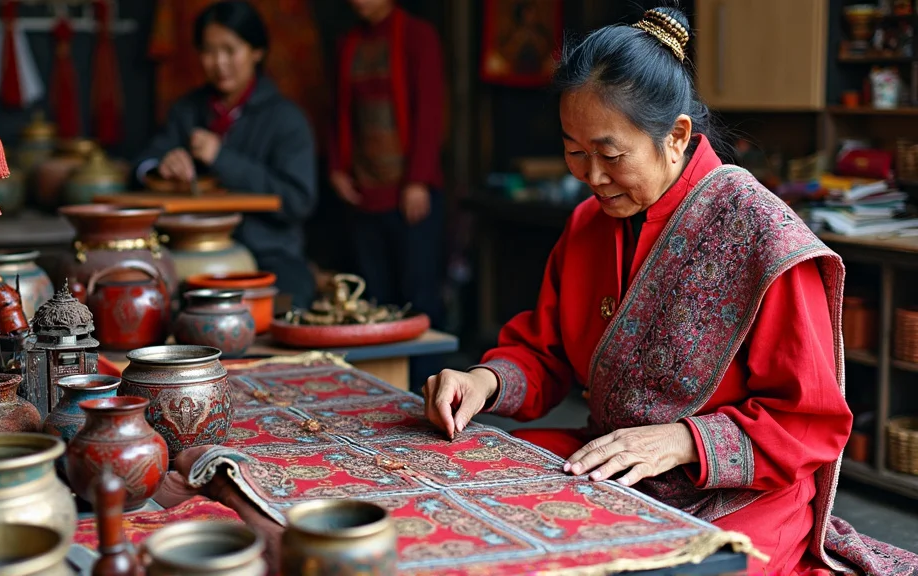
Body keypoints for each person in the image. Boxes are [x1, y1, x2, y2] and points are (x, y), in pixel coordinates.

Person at [422, 7, 918, 575]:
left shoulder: (762, 234)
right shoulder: (588, 224)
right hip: (614, 458)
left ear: (677, 135)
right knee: (472, 496)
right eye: (574, 152)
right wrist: (482, 381)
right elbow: (546, 351)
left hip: (740, 493)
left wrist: (683, 442)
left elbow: (808, 423)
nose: (591, 175)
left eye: (610, 155)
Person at [135, 1, 317, 308]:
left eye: (230, 50)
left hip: (267, 253)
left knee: (293, 292)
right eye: (208, 51)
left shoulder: (286, 118)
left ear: (256, 52)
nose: (218, 63)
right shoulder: (188, 110)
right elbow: (142, 163)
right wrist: (160, 168)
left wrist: (221, 158)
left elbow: (298, 199)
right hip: (190, 249)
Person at [330, 0, 446, 381]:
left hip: (408, 192)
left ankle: (428, 388)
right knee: (372, 299)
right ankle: (380, 388)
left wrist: (418, 179)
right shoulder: (348, 42)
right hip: (364, 191)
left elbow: (430, 110)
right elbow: (338, 110)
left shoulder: (417, 35)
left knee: (418, 296)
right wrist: (337, 168)